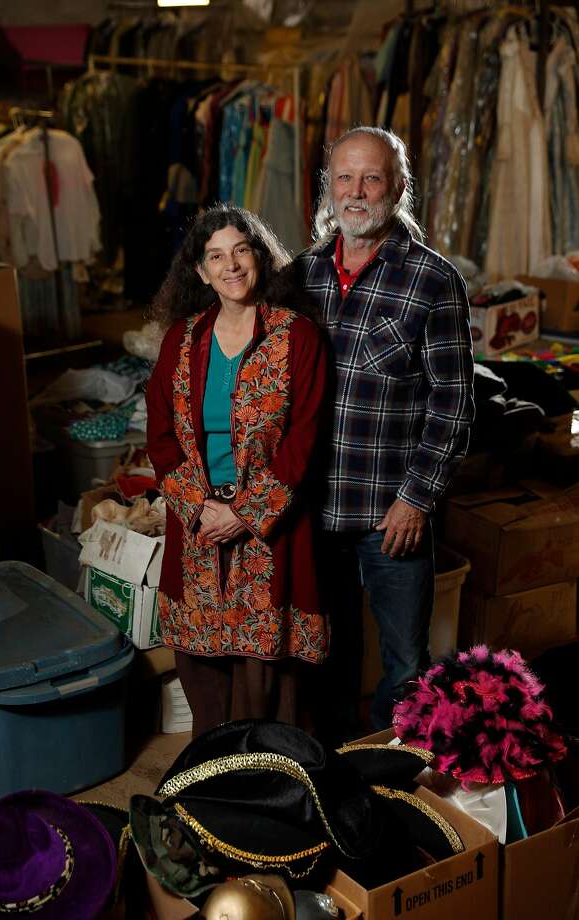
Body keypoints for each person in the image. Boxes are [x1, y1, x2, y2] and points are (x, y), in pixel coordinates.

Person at [295, 126, 474, 739]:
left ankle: (395, 778)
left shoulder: (432, 279)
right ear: (329, 187)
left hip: (390, 514)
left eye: (371, 177)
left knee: (404, 664)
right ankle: (339, 773)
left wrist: (418, 497)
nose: (356, 191)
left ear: (398, 186)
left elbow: (454, 401)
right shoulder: (303, 274)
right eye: (344, 177)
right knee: (328, 655)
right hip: (316, 510)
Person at [146, 205, 329, 738]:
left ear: (260, 258)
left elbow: (304, 440)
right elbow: (160, 437)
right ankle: (212, 778)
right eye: (216, 256)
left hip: (272, 529)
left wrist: (246, 514)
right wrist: (201, 508)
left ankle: (271, 780)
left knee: (268, 671)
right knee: (204, 669)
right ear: (200, 272)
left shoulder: (296, 337)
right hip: (198, 521)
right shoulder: (181, 340)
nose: (231, 266)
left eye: (241, 251)